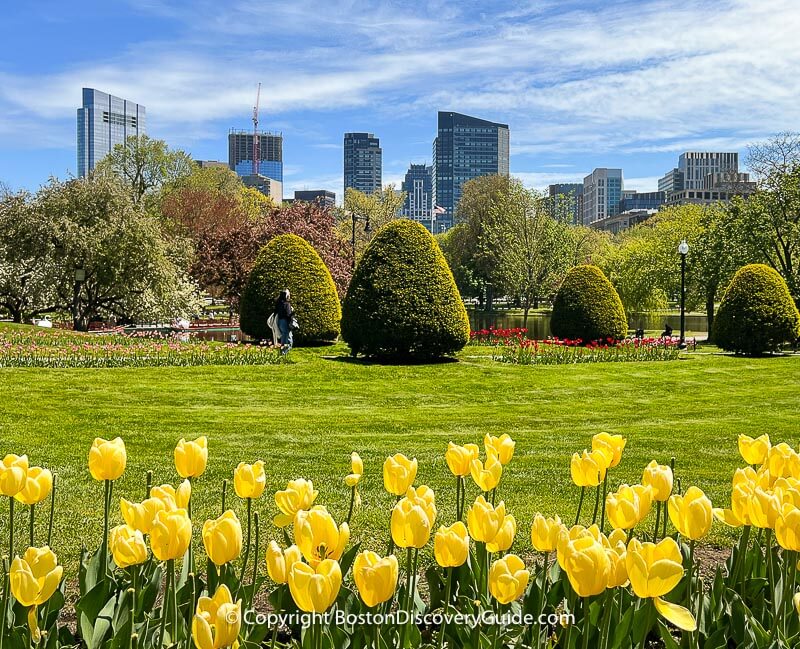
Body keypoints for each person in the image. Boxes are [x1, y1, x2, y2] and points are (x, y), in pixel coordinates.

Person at [274, 289, 295, 354]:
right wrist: (293, 312)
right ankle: (284, 352)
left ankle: (282, 351)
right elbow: (288, 314)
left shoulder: (279, 303)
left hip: (280, 321)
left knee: (284, 336)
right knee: (288, 339)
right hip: (285, 321)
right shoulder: (287, 304)